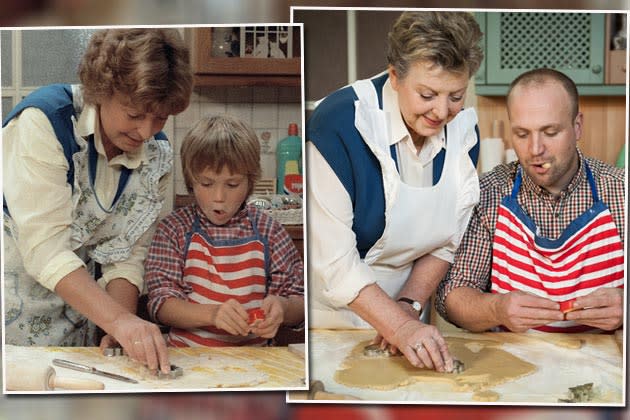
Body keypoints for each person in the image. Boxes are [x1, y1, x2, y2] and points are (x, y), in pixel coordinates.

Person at [3, 28, 193, 373]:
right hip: (12, 317)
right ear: (101, 90)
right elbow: (46, 250)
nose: (147, 132)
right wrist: (120, 320)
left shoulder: (156, 154)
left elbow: (126, 255)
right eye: (134, 114)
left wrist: (116, 329)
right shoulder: (43, 123)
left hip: (82, 319)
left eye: (161, 117)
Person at [307, 11, 483, 372]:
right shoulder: (339, 122)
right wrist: (399, 325)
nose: (442, 111)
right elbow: (335, 263)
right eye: (428, 94)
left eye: (456, 95)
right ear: (395, 77)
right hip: (334, 323)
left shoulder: (464, 133)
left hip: (409, 320)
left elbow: (447, 240)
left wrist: (408, 307)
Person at [437, 68, 625, 334]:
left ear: (577, 126)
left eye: (550, 132)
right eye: (523, 134)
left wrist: (625, 307)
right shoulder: (488, 193)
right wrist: (497, 308)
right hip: (515, 365)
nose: (535, 150)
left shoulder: (621, 192)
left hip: (603, 367)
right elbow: (452, 295)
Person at [145, 115, 304, 347]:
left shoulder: (270, 232)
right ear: (191, 181)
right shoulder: (174, 230)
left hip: (256, 365)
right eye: (206, 184)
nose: (219, 198)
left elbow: (299, 303)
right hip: (188, 361)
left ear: (250, 182)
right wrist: (212, 314)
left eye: (232, 185)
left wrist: (283, 308)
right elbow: (161, 305)